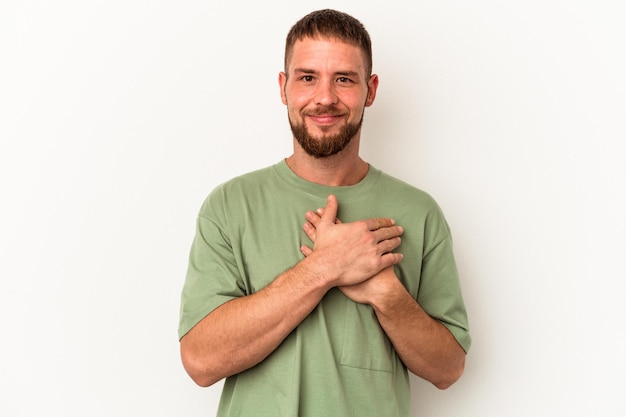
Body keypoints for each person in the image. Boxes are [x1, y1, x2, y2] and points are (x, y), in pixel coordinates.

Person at [178, 9, 471, 417]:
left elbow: (448, 368)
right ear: (284, 87)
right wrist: (326, 267)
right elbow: (200, 362)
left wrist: (387, 294)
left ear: (370, 90)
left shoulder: (418, 212)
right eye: (307, 77)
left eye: (344, 79)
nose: (325, 98)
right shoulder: (229, 205)